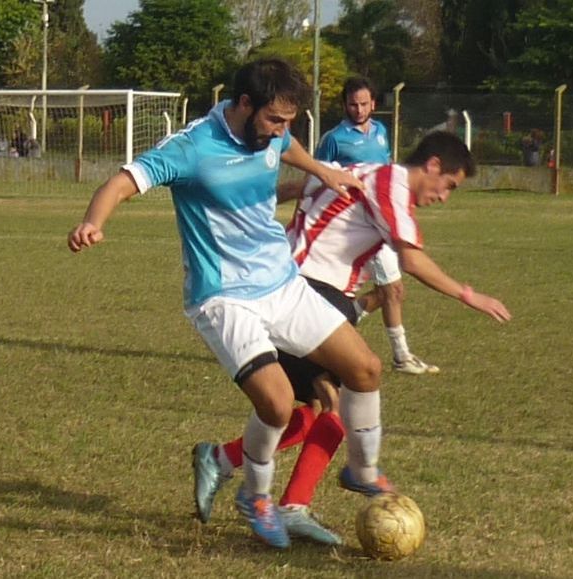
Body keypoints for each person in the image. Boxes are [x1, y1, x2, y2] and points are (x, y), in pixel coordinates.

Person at [68, 58, 385, 551]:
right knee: (278, 403)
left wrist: (322, 171)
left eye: (289, 121)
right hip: (223, 298)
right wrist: (94, 222)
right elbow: (121, 182)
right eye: (275, 119)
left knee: (365, 369)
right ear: (243, 104)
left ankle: (362, 471)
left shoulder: (273, 133)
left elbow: (288, 146)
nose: (282, 131)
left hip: (282, 284)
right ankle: (256, 498)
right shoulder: (193, 147)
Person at [193, 131, 512, 545]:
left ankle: (243, 472)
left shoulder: (362, 171)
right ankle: (283, 485)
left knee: (321, 408)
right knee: (339, 400)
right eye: (449, 185)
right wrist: (469, 295)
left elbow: (308, 183)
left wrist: (287, 199)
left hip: (310, 292)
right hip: (306, 292)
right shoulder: (391, 184)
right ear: (432, 165)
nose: (445, 196)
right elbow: (411, 259)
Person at [315, 76, 438, 375]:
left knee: (389, 292)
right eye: (352, 104)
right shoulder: (334, 139)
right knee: (393, 290)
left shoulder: (381, 132)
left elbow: (388, 174)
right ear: (344, 104)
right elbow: (317, 177)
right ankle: (401, 356)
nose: (358, 110)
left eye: (363, 104)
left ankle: (342, 322)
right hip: (356, 224)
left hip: (381, 224)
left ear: (373, 103)